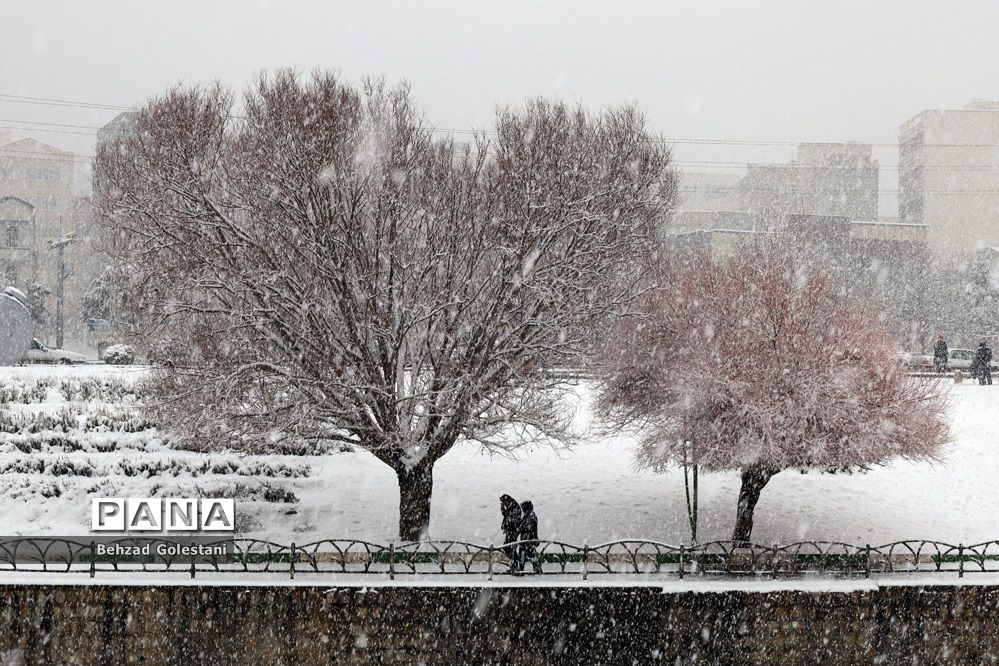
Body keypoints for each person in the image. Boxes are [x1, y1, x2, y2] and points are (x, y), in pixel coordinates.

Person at [517, 500, 542, 574]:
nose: (522, 510)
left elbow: (526, 527)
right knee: (526, 554)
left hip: (529, 540)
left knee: (528, 554)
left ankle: (523, 569)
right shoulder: (527, 515)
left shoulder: (531, 516)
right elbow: (521, 526)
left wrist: (521, 528)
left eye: (523, 508)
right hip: (526, 540)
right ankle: (523, 568)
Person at [499, 494, 523, 570]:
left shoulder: (515, 507)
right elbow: (507, 516)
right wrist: (503, 509)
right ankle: (514, 563)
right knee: (507, 547)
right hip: (510, 531)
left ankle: (515, 564)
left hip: (513, 531)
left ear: (507, 501)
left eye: (504, 503)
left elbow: (511, 520)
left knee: (510, 548)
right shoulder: (511, 507)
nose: (503, 505)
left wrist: (507, 525)